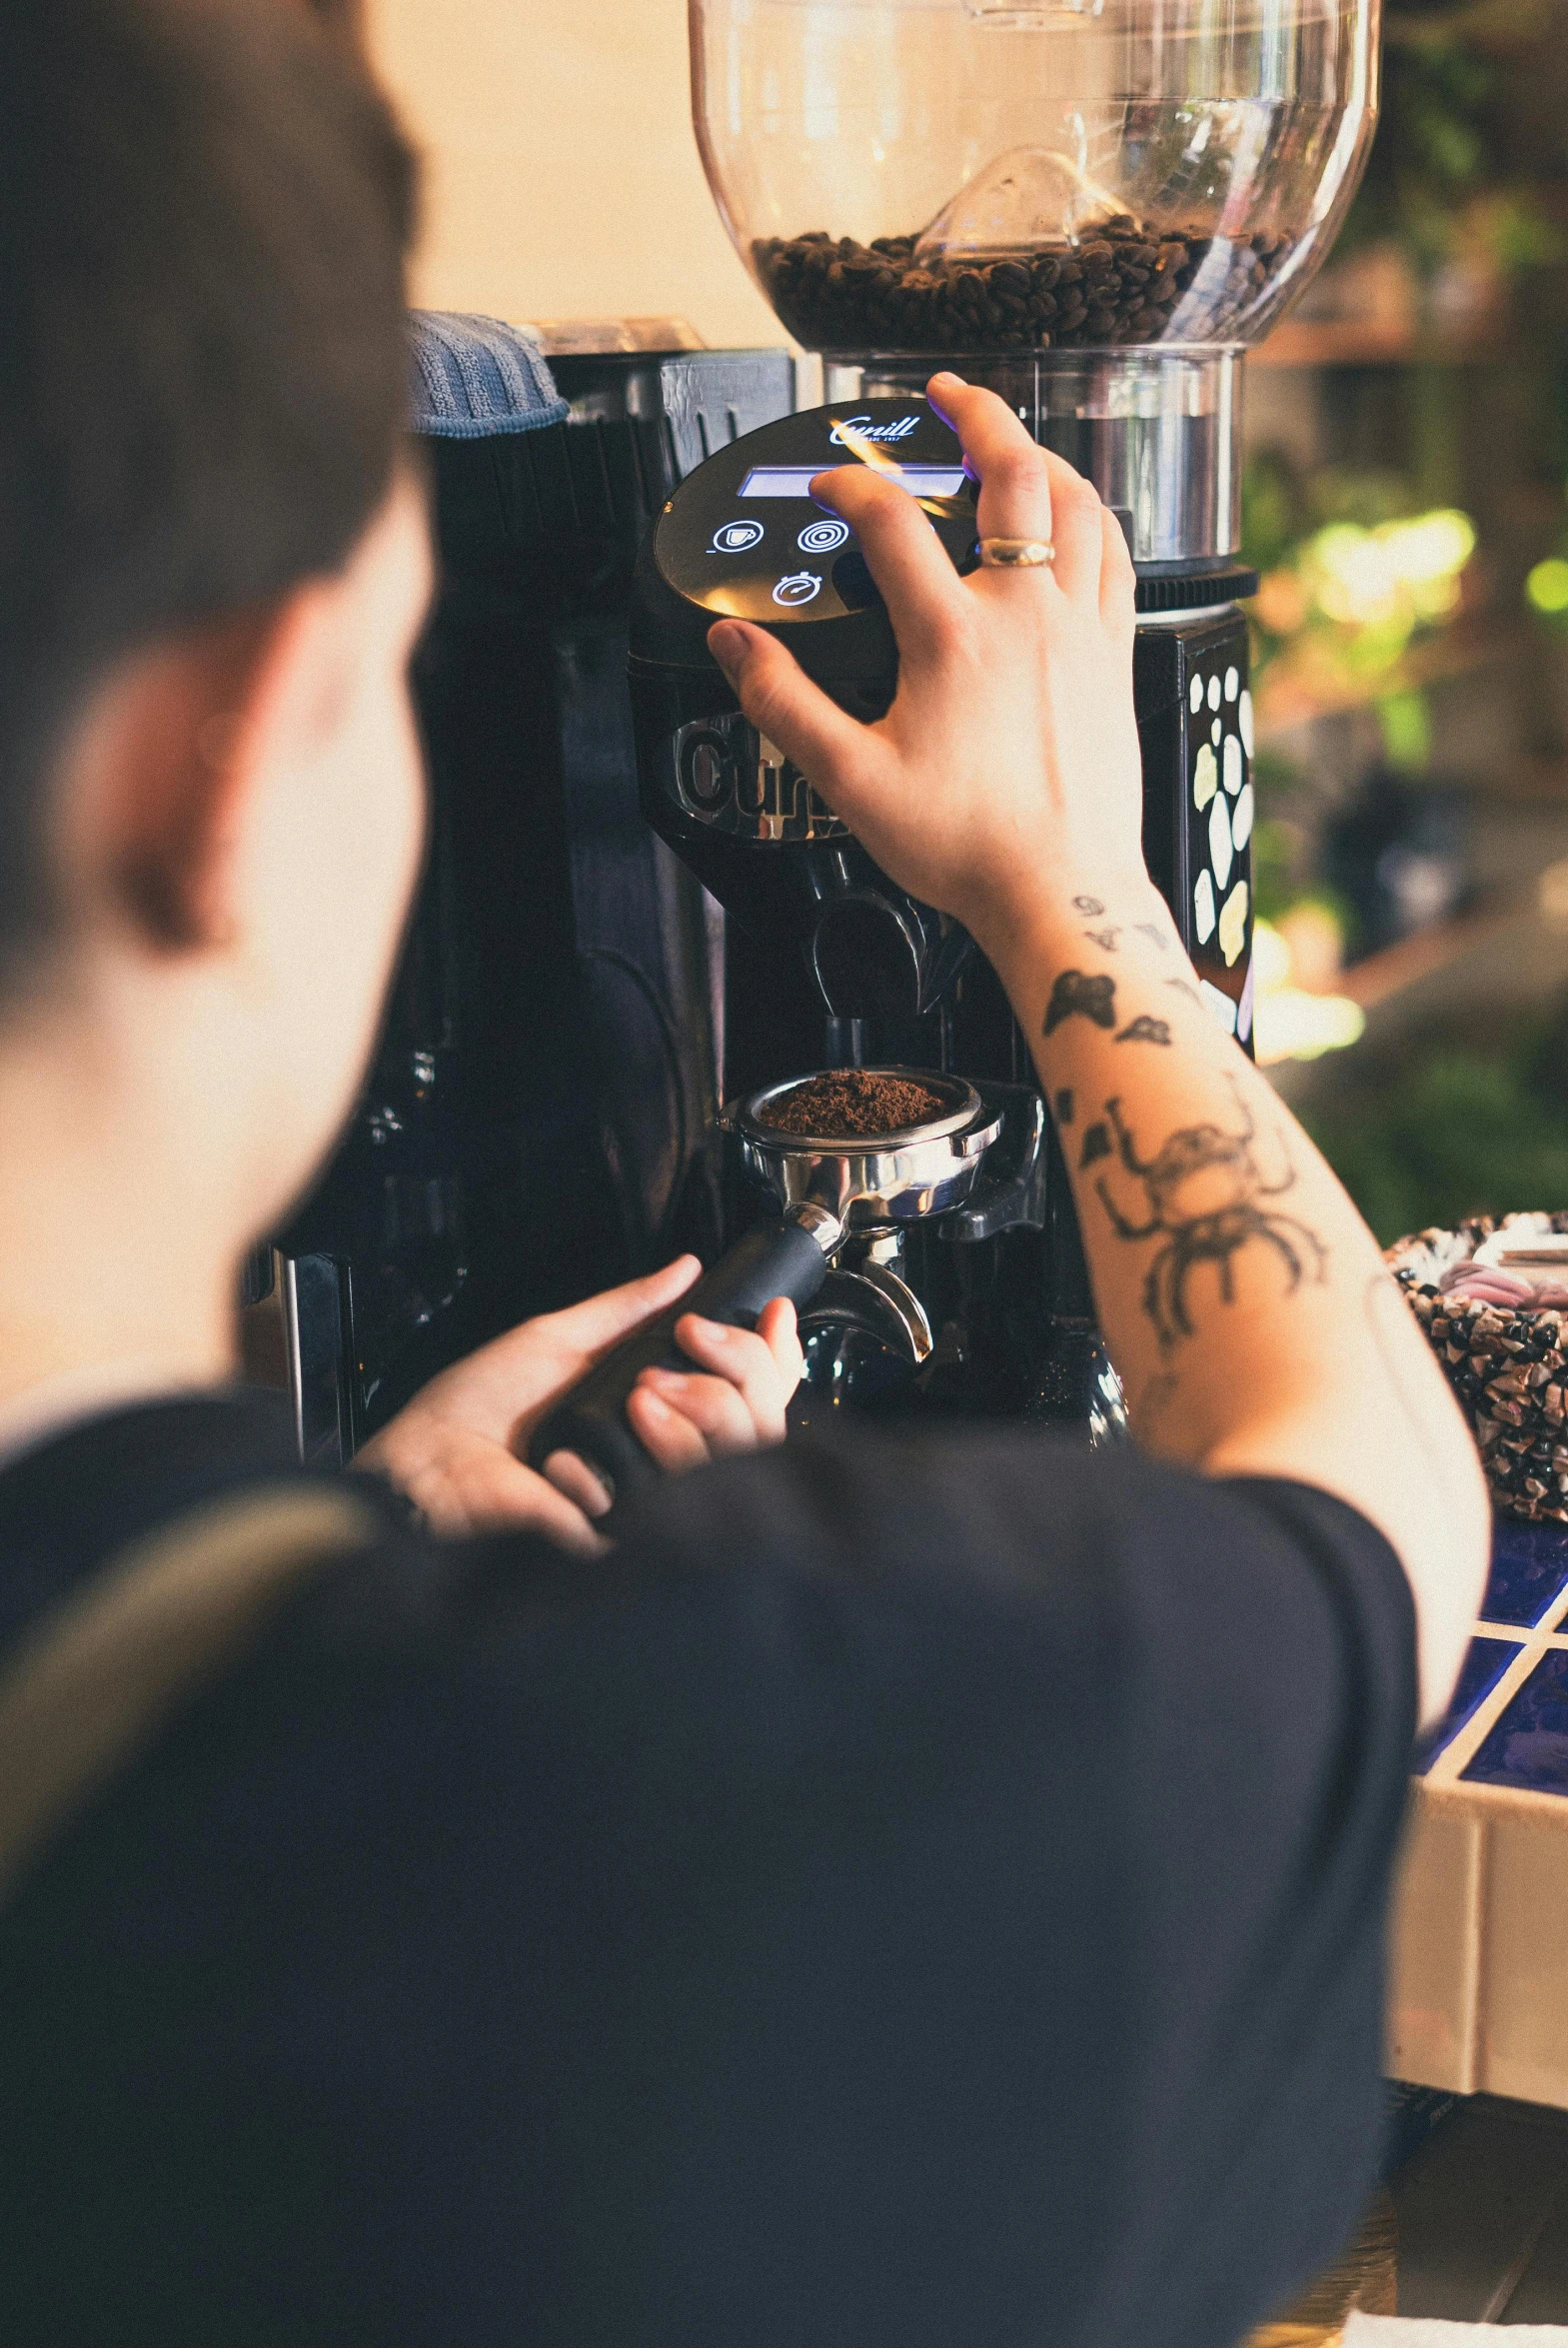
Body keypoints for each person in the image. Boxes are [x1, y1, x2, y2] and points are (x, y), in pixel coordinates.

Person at [0, 2, 1487, 2343]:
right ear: (235, 753)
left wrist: (335, 1550)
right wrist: (1071, 891)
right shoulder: (755, 1804)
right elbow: (1371, 1514)